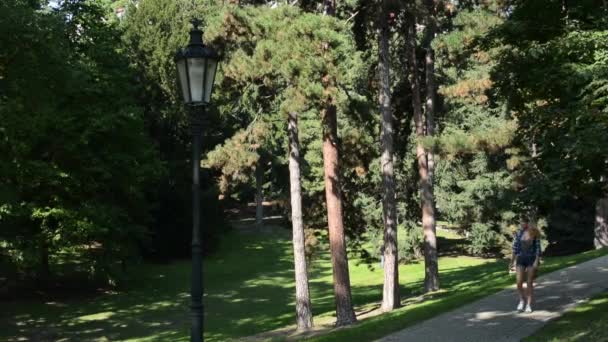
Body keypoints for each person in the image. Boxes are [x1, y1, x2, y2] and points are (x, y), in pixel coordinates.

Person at [510, 219, 542, 313]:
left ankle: (528, 304)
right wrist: (512, 262)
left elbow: (538, 249)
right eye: (520, 222)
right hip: (520, 259)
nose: (521, 224)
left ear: (528, 223)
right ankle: (521, 300)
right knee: (519, 282)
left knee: (529, 282)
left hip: (531, 260)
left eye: (523, 222)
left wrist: (536, 261)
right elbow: (515, 249)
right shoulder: (519, 234)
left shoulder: (534, 234)